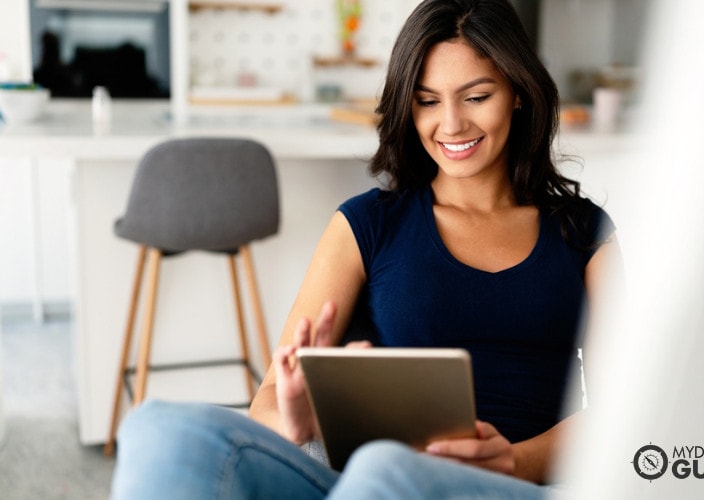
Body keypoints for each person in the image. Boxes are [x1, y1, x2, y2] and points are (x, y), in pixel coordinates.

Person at [111, 0, 622, 498]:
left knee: (388, 468)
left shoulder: (584, 235)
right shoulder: (366, 224)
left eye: (475, 96)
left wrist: (514, 461)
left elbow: (627, 406)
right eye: (427, 100)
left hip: (512, 483)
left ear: (518, 92)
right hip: (358, 482)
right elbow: (267, 400)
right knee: (158, 427)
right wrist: (295, 419)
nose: (450, 124)